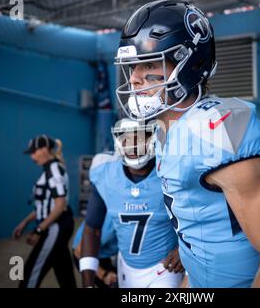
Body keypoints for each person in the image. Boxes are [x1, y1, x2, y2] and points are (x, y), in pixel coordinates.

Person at [115, 0, 260, 287]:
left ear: (189, 64)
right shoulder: (167, 130)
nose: (135, 80)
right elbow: (200, 229)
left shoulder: (217, 129)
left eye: (149, 64)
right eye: (132, 67)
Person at [80, 118, 183, 288]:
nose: (132, 144)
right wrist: (88, 284)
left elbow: (204, 214)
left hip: (164, 267)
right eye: (125, 137)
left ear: (154, 137)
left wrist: (185, 249)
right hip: (125, 265)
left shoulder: (172, 168)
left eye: (141, 137)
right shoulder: (105, 170)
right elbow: (92, 229)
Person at [13, 135, 76, 288]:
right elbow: (45, 206)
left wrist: (38, 230)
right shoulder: (49, 169)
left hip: (55, 227)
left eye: (34, 152)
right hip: (55, 225)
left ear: (45, 149)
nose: (32, 156)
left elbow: (59, 206)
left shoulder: (53, 169)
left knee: (29, 276)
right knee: (65, 275)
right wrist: (25, 222)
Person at [72, 215, 118, 288]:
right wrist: (104, 275)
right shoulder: (109, 223)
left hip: (108, 252)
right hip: (84, 254)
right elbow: (79, 252)